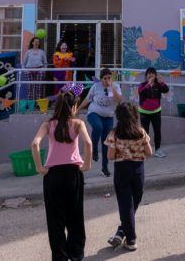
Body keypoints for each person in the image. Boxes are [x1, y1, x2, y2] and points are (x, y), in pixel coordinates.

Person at [30, 84, 93, 261]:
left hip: (53, 176)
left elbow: (35, 144)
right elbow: (88, 144)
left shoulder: (47, 124)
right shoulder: (78, 123)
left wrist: (39, 167)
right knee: (75, 216)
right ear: (73, 107)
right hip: (73, 174)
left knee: (55, 219)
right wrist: (86, 164)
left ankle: (60, 256)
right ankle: (76, 253)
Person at [104, 102, 153, 251]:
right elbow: (150, 153)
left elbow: (110, 157)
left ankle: (131, 239)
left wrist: (122, 151)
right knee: (133, 203)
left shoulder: (114, 133)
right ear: (135, 114)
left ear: (118, 116)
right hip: (138, 170)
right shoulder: (141, 131)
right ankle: (122, 231)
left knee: (126, 206)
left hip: (122, 170)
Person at [81, 68, 122, 177]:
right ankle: (94, 149)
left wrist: (111, 87)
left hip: (108, 117)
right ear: (101, 79)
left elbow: (118, 100)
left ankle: (104, 167)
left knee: (106, 143)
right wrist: (77, 109)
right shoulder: (96, 86)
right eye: (105, 79)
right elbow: (87, 99)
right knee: (98, 127)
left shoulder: (116, 86)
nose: (107, 80)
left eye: (109, 78)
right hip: (94, 113)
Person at [137, 67, 170, 158]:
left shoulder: (158, 85)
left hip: (156, 112)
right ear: (146, 76)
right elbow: (141, 93)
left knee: (157, 131)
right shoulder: (142, 85)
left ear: (155, 75)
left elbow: (166, 90)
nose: (150, 75)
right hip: (144, 112)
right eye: (149, 73)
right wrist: (148, 84)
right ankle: (145, 150)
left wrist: (161, 82)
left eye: (152, 73)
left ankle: (158, 150)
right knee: (145, 132)